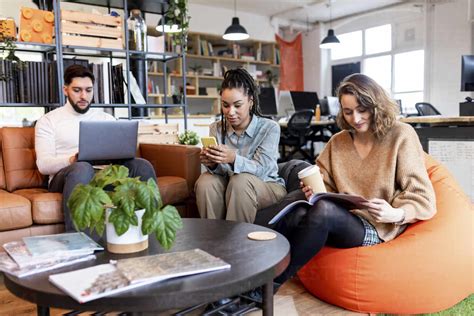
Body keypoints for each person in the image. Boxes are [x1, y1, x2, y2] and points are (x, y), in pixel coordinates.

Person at [273, 73, 437, 286]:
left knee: (323, 211)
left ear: (375, 105)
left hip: (379, 226)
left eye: (362, 110)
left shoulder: (401, 135)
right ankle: (255, 275)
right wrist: (312, 190)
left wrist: (396, 213)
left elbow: (423, 195)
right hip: (343, 218)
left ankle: (270, 285)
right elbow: (326, 186)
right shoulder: (338, 141)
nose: (356, 119)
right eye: (348, 112)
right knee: (298, 212)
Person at [35, 64, 156, 232]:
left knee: (142, 165)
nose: (84, 96)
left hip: (103, 175)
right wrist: (71, 160)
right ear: (65, 90)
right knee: (82, 168)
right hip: (66, 177)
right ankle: (79, 241)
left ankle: (148, 230)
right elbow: (43, 165)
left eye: (88, 90)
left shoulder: (106, 118)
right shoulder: (48, 121)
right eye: (77, 90)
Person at [194, 68, 287, 223]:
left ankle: (236, 245)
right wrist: (213, 163)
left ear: (250, 102)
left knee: (240, 182)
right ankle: (213, 240)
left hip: (267, 184)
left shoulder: (270, 128)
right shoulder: (215, 128)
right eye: (225, 105)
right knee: (205, 182)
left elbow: (263, 170)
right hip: (231, 183)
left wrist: (233, 159)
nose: (230, 112)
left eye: (237, 105)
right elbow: (221, 173)